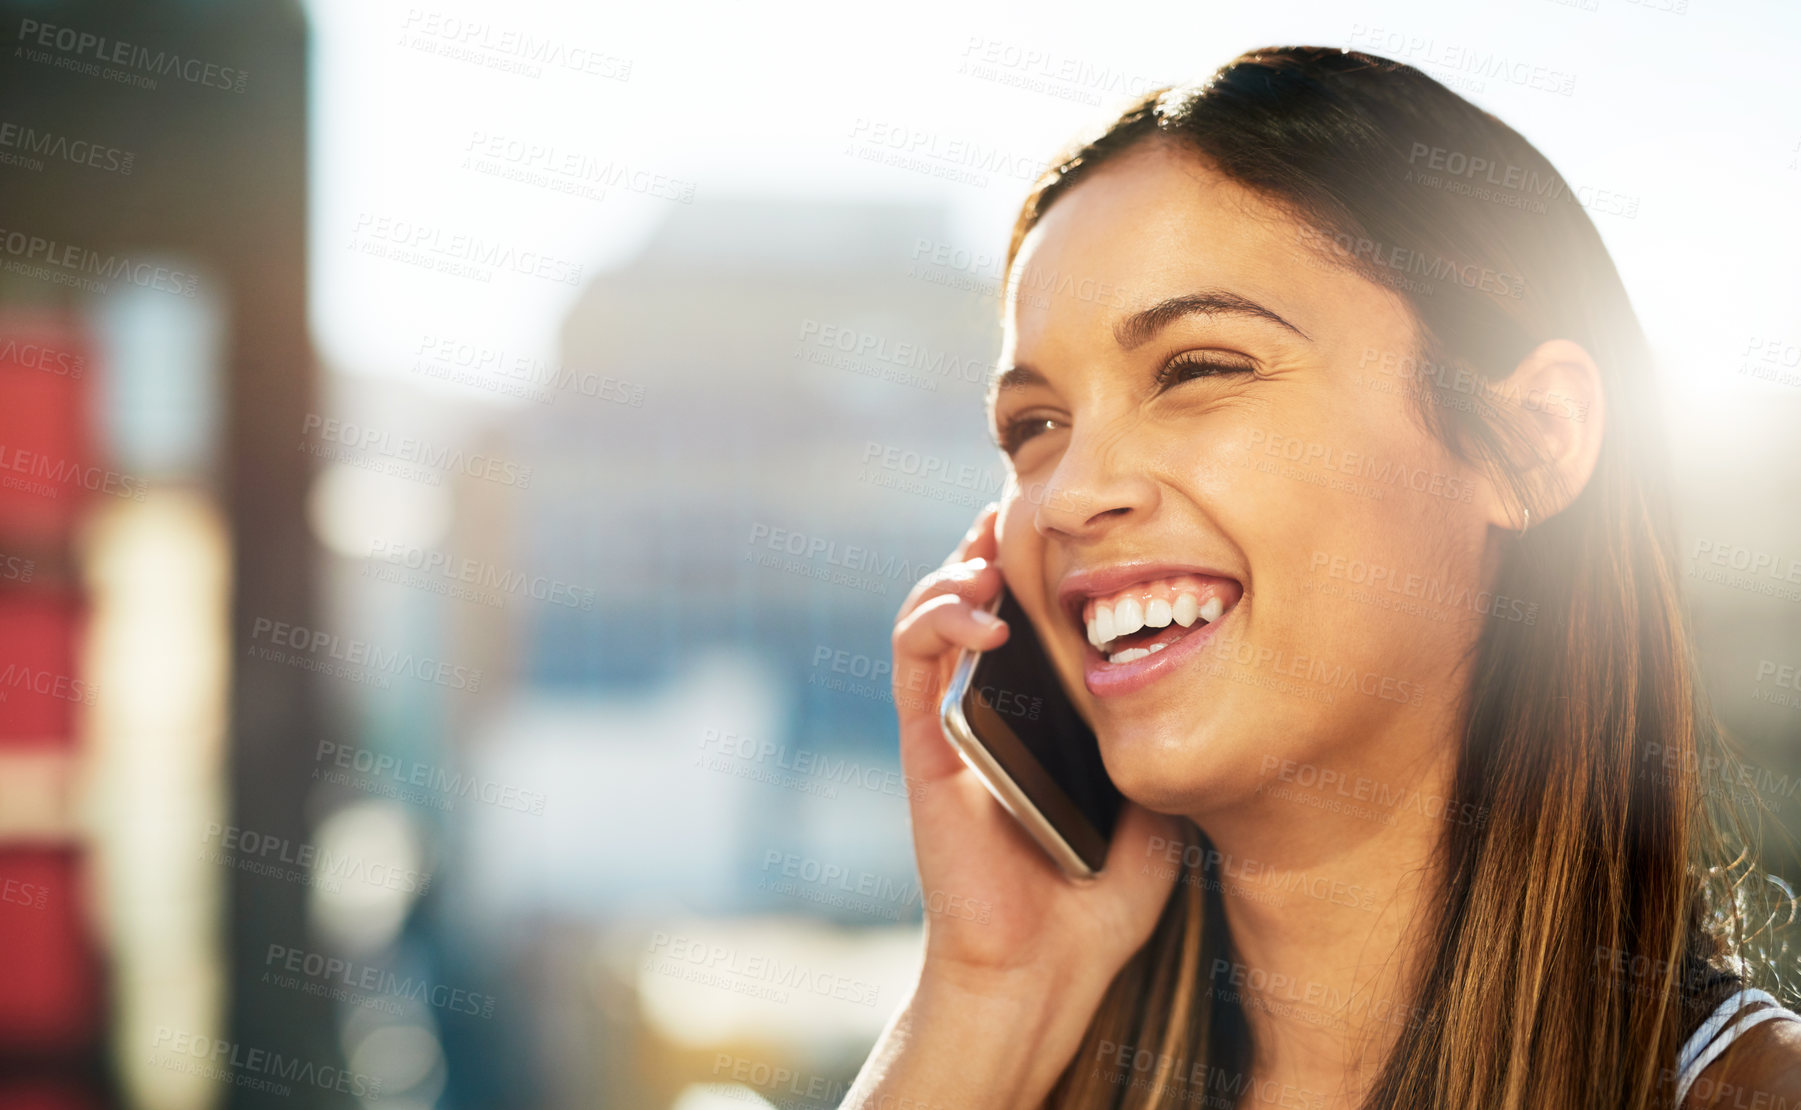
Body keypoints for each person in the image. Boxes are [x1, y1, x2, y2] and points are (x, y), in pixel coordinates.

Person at [843, 46, 1801, 1110]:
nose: (1069, 494)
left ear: (1529, 440)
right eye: (1035, 426)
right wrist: (985, 998)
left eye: (1198, 369)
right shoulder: (1012, 1058)